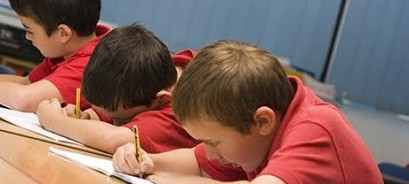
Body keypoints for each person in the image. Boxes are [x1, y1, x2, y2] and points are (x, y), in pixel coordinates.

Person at [112, 40, 383, 183]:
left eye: (214, 142)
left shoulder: (316, 128)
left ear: (262, 120)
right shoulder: (257, 129)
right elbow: (199, 162)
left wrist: (166, 180)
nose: (209, 151)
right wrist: (143, 161)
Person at [35, 23, 200, 154]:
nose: (115, 123)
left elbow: (114, 139)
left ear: (161, 99)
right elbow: (111, 113)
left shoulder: (186, 109)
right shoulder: (147, 74)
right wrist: (85, 117)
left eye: (119, 119)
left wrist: (53, 121)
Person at [0, 0, 110, 112]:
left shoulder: (93, 64)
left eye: (30, 31)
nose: (27, 37)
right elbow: (28, 83)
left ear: (63, 33)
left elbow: (24, 99)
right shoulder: (66, 51)